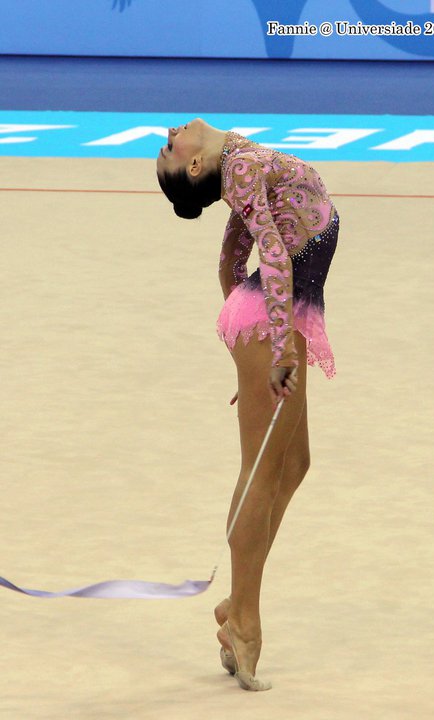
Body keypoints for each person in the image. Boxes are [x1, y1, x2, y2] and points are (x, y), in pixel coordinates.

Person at [156, 119, 338, 691]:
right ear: (194, 165)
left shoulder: (238, 163)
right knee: (260, 473)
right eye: (169, 148)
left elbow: (230, 262)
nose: (170, 131)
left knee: (296, 464)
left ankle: (238, 600)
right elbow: (275, 258)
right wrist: (273, 349)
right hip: (273, 325)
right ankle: (245, 623)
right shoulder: (238, 166)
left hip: (269, 322)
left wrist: (247, 351)